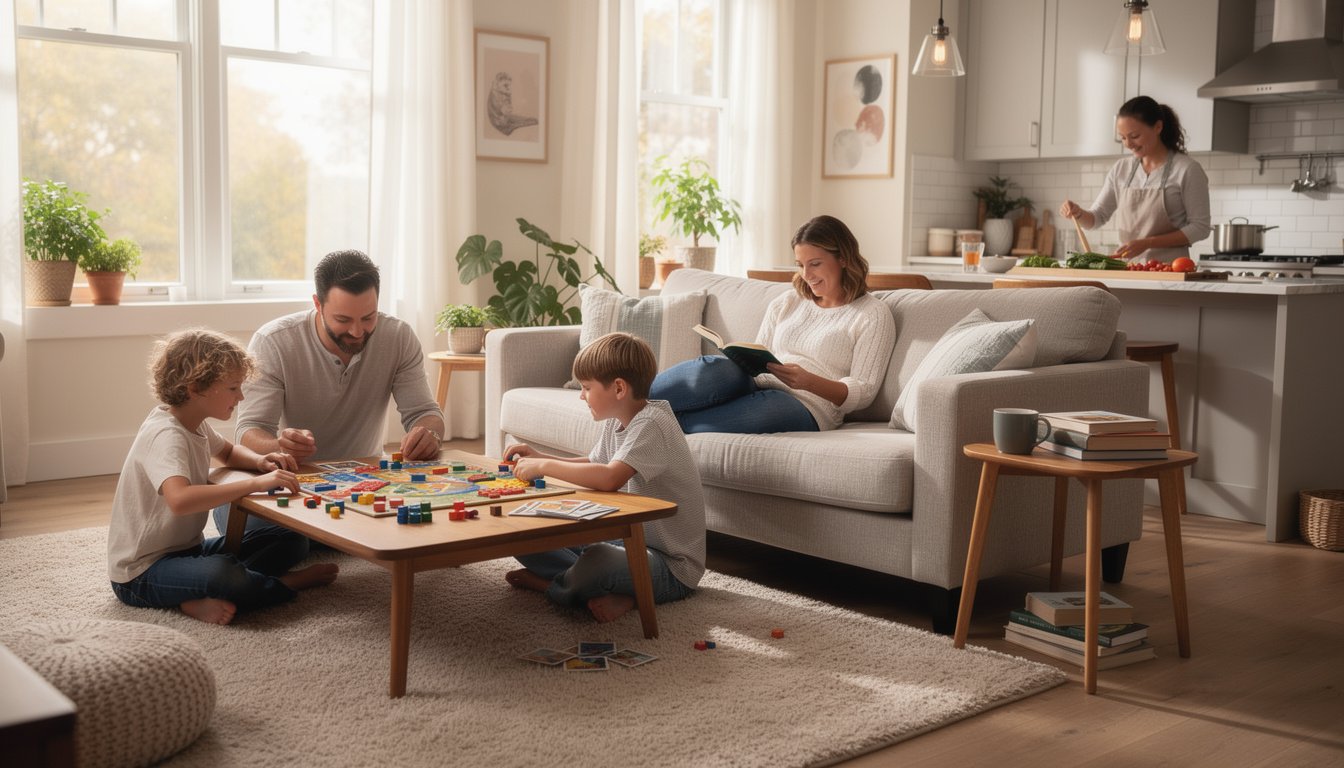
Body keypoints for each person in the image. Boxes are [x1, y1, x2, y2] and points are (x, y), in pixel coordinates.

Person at [108, 330, 339, 626]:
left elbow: (229, 452)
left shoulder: (195, 423)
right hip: (141, 572)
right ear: (195, 388)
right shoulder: (166, 434)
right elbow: (180, 500)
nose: (240, 396)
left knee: (292, 540)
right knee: (221, 572)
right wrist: (256, 483)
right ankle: (281, 585)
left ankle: (211, 589)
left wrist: (261, 461)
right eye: (233, 388)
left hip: (186, 552)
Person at [216, 249, 444, 534]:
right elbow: (249, 431)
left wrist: (429, 434)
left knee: (435, 515)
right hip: (296, 478)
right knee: (249, 524)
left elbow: (425, 413)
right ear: (317, 304)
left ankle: (324, 534)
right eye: (344, 320)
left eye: (368, 318)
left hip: (367, 479)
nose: (358, 332)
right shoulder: (273, 341)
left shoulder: (398, 336)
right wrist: (280, 448)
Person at [502, 332, 705, 624]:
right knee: (522, 532)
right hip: (628, 543)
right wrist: (539, 457)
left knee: (599, 559)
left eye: (586, 387)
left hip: (671, 566)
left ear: (619, 388)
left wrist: (544, 466)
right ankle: (602, 589)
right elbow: (595, 464)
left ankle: (555, 587)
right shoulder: (619, 421)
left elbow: (609, 478)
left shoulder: (652, 423)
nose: (581, 395)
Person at [649, 214, 896, 434]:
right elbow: (760, 351)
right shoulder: (788, 301)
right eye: (801, 265)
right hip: (758, 383)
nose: (807, 275)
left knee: (766, 408)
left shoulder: (872, 314)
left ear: (843, 258)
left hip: (808, 405)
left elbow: (864, 392)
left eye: (815, 264)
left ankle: (652, 425)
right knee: (714, 368)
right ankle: (627, 397)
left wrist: (808, 381)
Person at [1058, 95, 1211, 263]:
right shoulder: (1121, 169)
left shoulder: (1187, 169)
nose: (1128, 144)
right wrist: (1078, 213)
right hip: (1128, 270)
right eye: (1123, 137)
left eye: (1134, 136)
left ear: (1158, 127)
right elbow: (1097, 218)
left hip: (1170, 271)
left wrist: (1148, 243)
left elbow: (1200, 228)